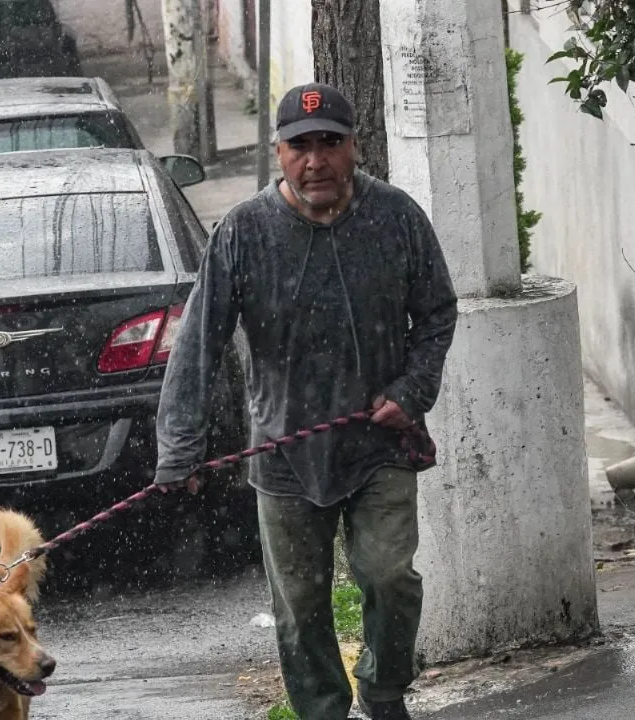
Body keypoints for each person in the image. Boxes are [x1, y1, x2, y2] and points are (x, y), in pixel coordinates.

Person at [153, 82, 458, 720]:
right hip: (284, 452)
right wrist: (179, 448)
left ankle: (384, 689)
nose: (315, 160)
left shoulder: (397, 217)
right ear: (279, 153)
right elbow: (199, 343)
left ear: (354, 147)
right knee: (299, 604)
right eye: (300, 147)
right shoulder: (244, 232)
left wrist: (412, 390)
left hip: (380, 443)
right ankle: (321, 710)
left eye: (330, 143)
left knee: (390, 576)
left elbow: (437, 313)